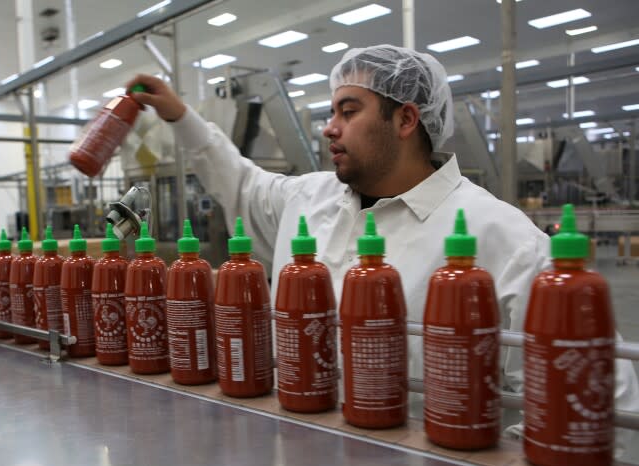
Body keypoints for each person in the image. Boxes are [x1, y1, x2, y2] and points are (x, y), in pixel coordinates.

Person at [126, 44, 639, 414]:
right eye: (332, 112)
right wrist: (179, 114)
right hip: (300, 455)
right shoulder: (308, 199)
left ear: (407, 119)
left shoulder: (505, 240)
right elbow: (238, 181)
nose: (329, 127)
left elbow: (602, 397)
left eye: (348, 111)